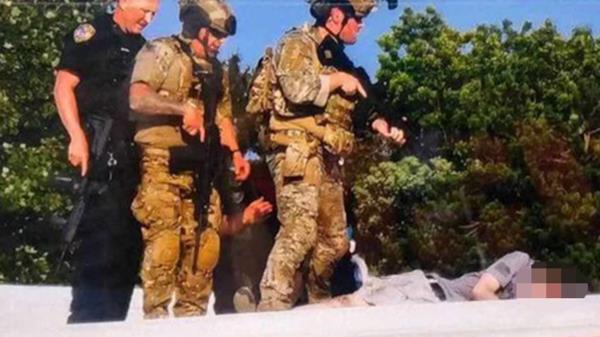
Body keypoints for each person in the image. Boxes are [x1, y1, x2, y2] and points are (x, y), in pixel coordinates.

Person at [251, 0, 406, 311]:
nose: (361, 25)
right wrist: (336, 80)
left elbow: (357, 106)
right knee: (299, 231)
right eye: (357, 18)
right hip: (295, 148)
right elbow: (296, 89)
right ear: (337, 15)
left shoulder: (339, 57)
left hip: (327, 153)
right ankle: (271, 308)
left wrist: (382, 124)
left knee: (335, 242)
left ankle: (317, 303)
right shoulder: (299, 42)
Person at [128, 0, 267, 318]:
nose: (220, 41)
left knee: (204, 248)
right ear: (197, 27)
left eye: (223, 35)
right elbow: (137, 99)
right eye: (215, 33)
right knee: (165, 246)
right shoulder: (161, 51)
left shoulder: (217, 69)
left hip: (202, 168)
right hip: (161, 163)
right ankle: (156, 320)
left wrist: (235, 154)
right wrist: (181, 109)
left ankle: (192, 321)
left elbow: (223, 117)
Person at [53, 0, 160, 323]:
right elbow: (63, 86)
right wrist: (76, 136)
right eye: (143, 10)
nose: (148, 18)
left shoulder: (145, 49)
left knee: (126, 256)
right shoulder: (92, 34)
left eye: (154, 14)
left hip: (130, 160)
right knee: (96, 253)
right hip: (96, 152)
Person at [303, 251, 589, 308]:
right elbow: (480, 291)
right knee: (344, 309)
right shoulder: (521, 261)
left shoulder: (531, 304)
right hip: (426, 293)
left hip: (432, 307)